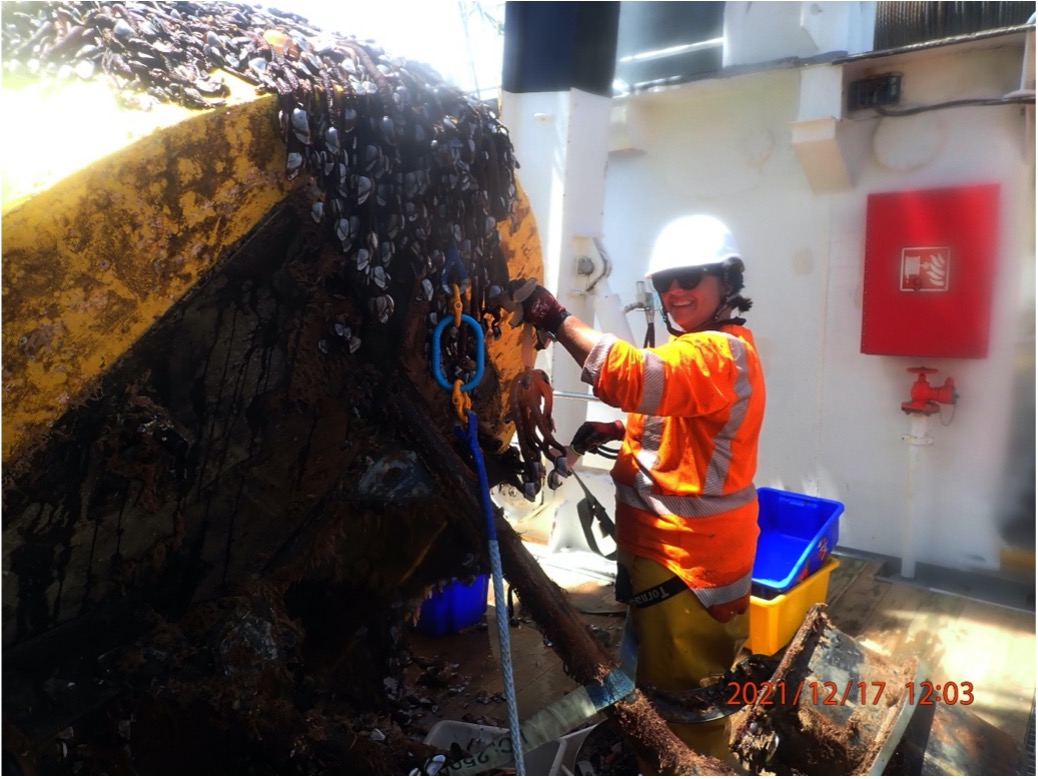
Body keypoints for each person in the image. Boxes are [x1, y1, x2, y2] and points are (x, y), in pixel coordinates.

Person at [504, 214, 766, 763]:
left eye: (690, 277)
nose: (674, 291)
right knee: (654, 683)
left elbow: (635, 378)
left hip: (687, 568)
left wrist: (552, 317)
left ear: (726, 282)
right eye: (665, 280)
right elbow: (683, 422)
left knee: (684, 710)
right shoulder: (701, 354)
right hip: (667, 560)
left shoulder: (720, 352)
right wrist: (618, 429)